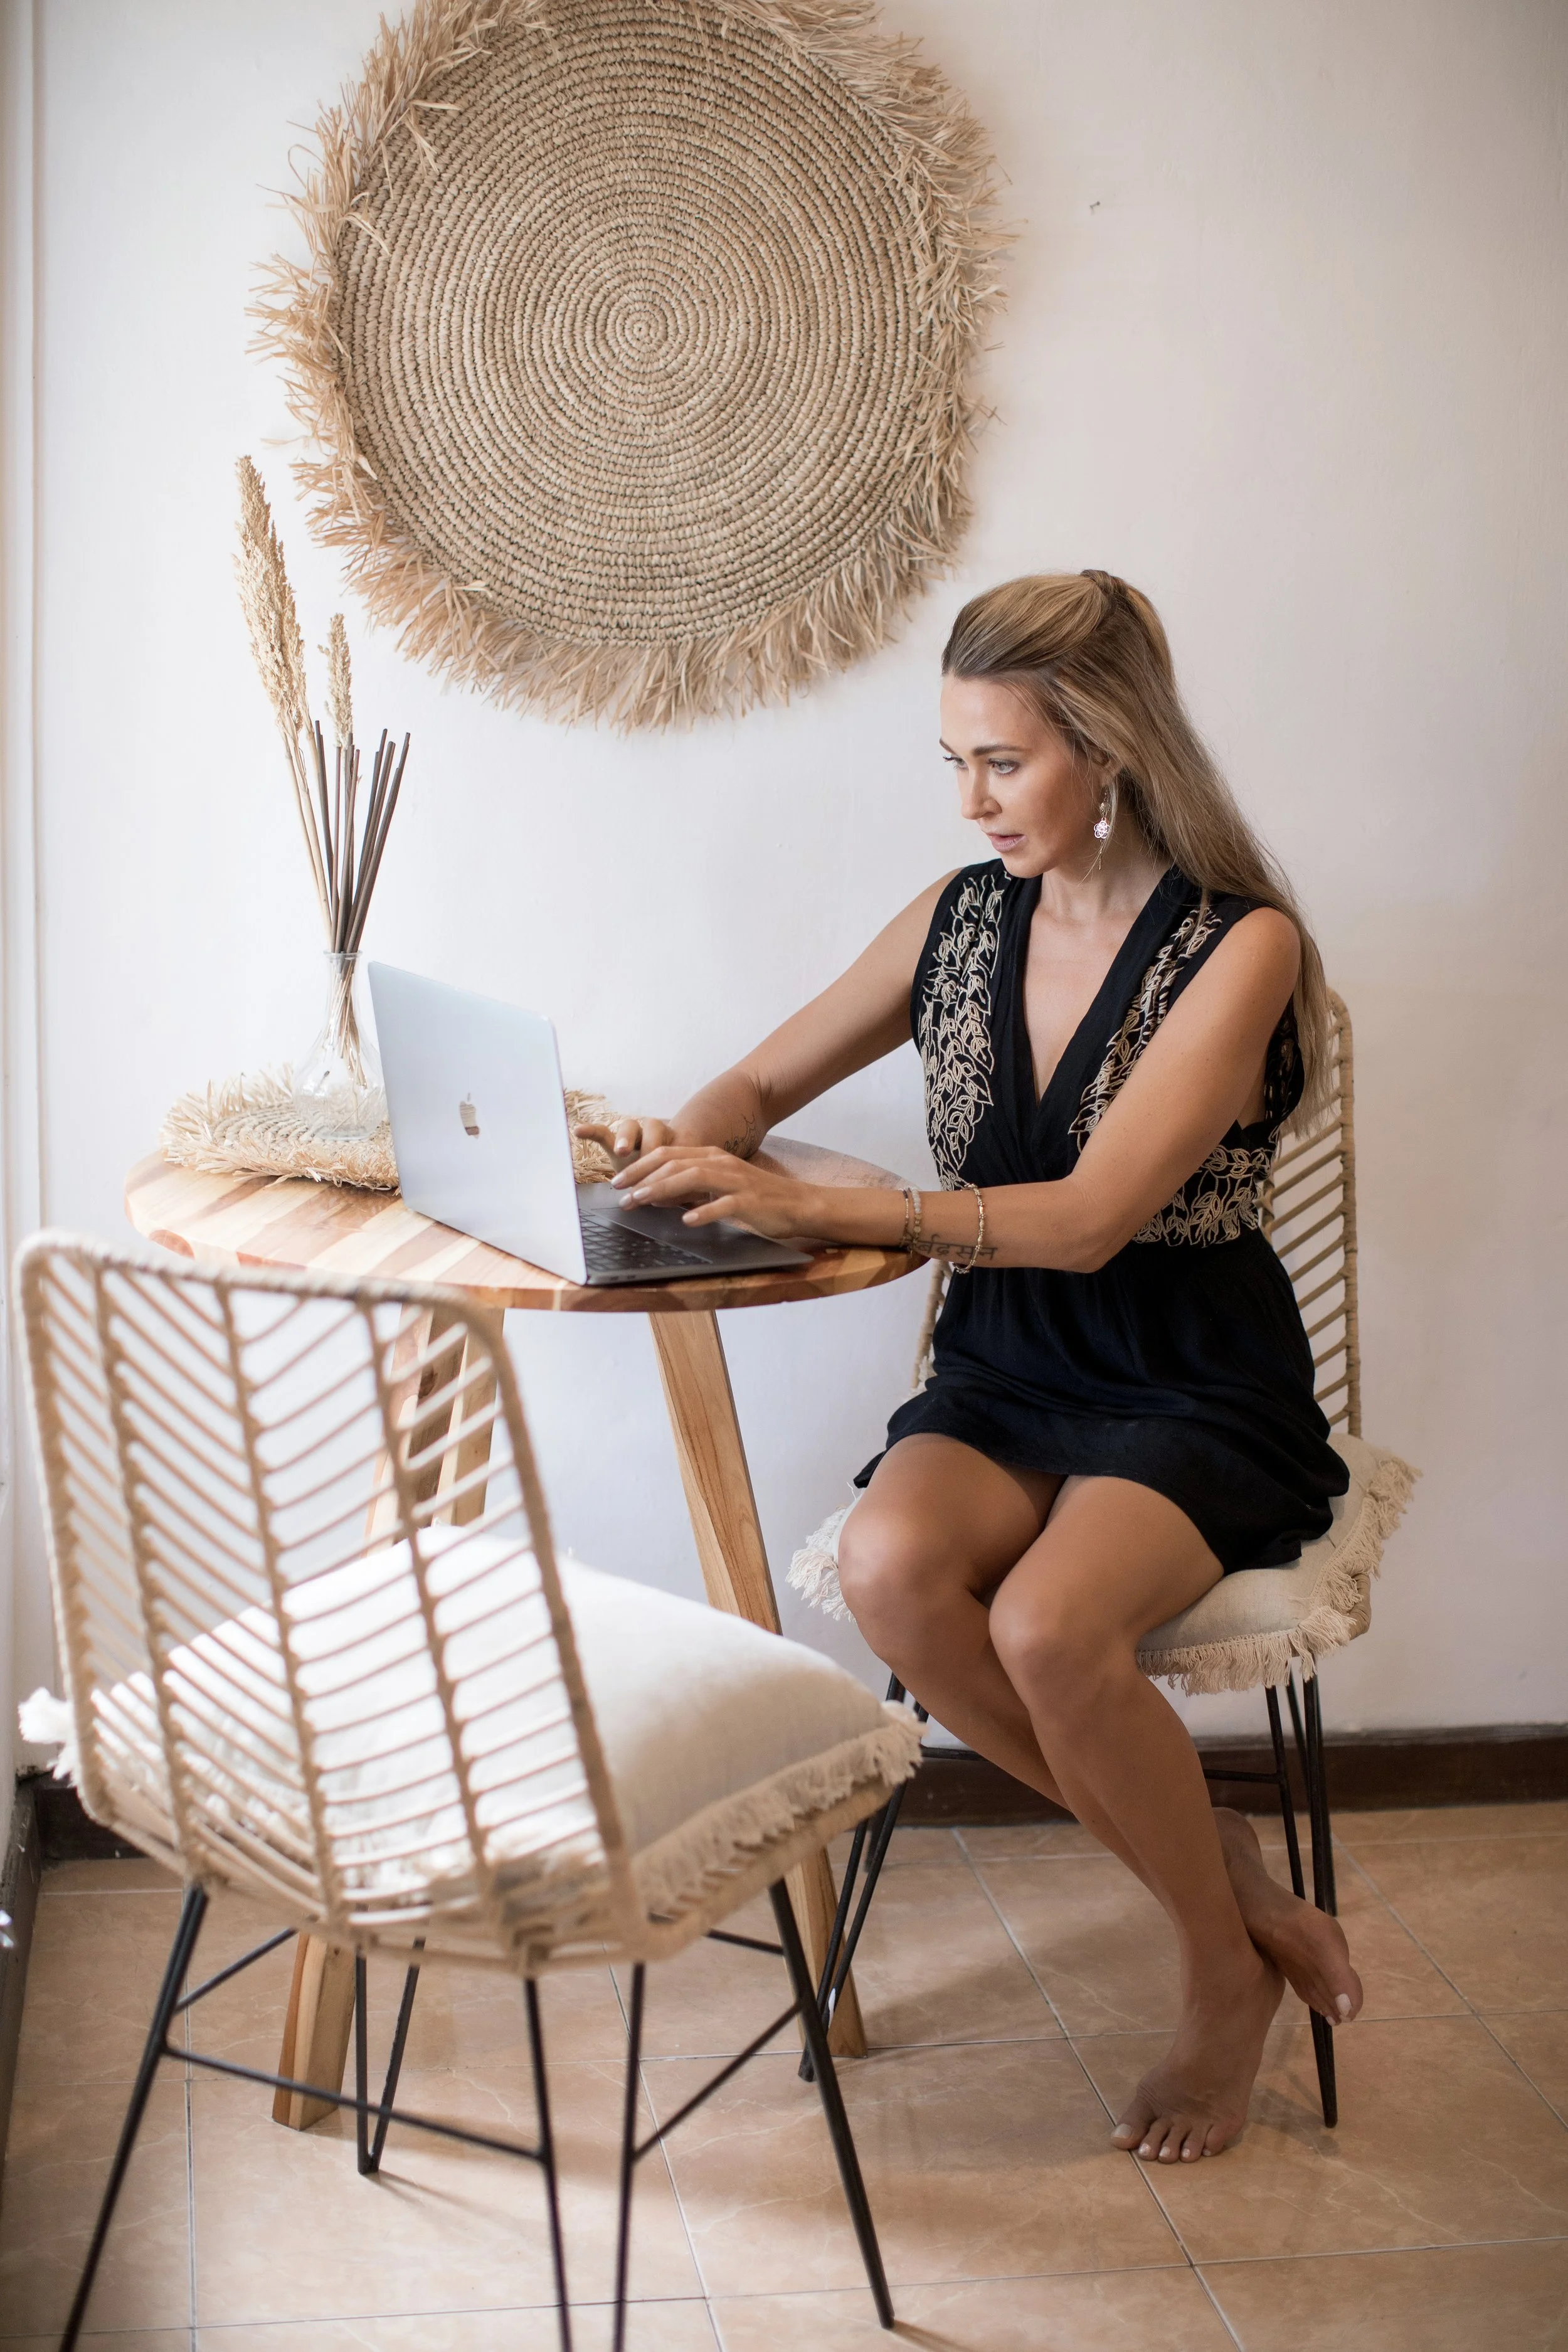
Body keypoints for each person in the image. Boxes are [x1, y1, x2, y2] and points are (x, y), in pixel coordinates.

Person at [577, 569, 1362, 2163]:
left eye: (1001, 760)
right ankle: (1210, 1852)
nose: (970, 797)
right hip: (1010, 1368)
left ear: (1110, 749)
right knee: (886, 1570)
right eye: (954, 760)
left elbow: (1082, 1222)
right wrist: (676, 1132)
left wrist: (816, 1198)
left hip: (1184, 1370)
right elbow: (757, 1076)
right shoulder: (957, 919)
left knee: (1051, 1624)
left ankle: (1219, 1974)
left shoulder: (1240, 948)